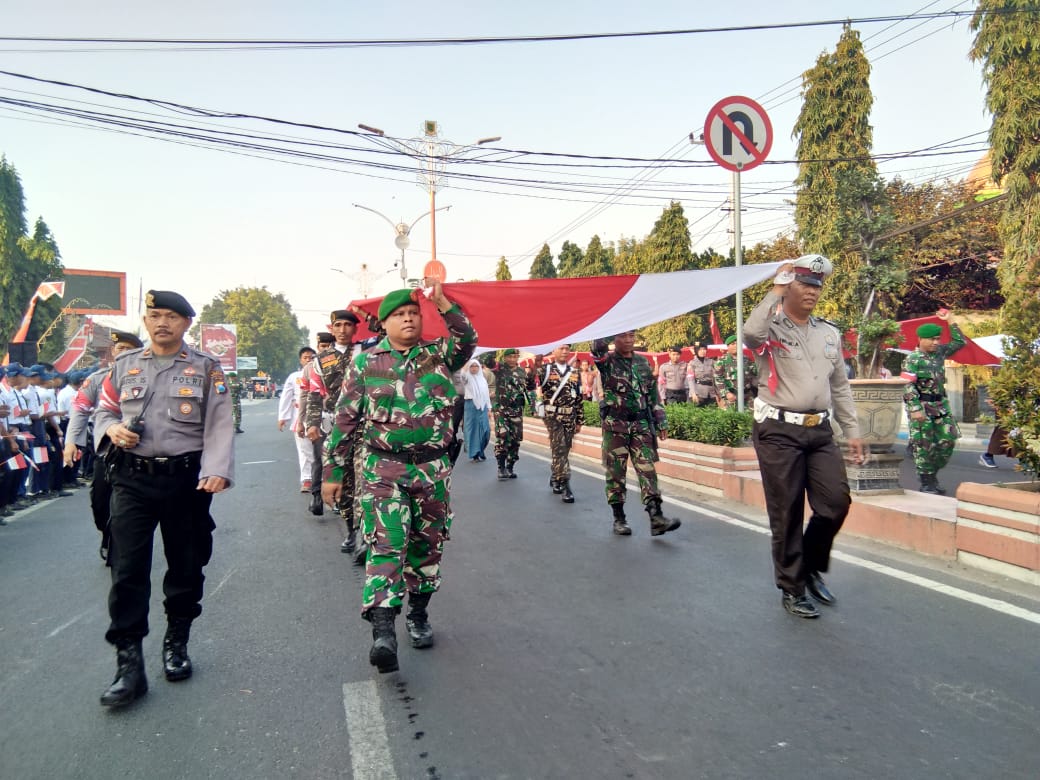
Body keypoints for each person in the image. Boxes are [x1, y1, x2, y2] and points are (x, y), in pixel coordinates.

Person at [322, 280, 476, 674]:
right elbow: (344, 420)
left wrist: (442, 302)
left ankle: (418, 614)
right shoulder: (365, 364)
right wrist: (333, 470)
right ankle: (383, 631)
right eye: (399, 315)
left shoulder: (439, 356)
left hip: (433, 468)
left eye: (413, 313)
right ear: (385, 324)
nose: (408, 318)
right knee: (387, 544)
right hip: (384, 469)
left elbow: (467, 337)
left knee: (428, 545)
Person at [92, 290, 234, 707]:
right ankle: (128, 664)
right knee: (127, 569)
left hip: (186, 480)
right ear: (146, 320)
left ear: (187, 323)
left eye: (171, 317)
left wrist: (217, 470)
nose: (162, 323)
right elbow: (103, 410)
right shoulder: (123, 366)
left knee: (187, 564)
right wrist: (112, 429)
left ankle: (177, 641)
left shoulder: (206, 369)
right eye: (154, 316)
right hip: (132, 479)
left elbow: (220, 423)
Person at [743, 256, 865, 619]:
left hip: (820, 430)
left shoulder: (828, 333)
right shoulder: (772, 328)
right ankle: (792, 587)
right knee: (788, 511)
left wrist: (853, 430)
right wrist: (776, 288)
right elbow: (750, 333)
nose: (812, 291)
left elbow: (840, 386)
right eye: (804, 284)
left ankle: (809, 566)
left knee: (835, 503)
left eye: (816, 285)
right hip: (778, 431)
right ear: (788, 286)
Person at [64, 330, 145, 562]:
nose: (124, 354)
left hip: (139, 450)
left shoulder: (148, 376)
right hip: (108, 451)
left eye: (130, 350)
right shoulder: (98, 379)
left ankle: (123, 546)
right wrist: (71, 442)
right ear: (112, 352)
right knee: (99, 502)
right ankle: (106, 533)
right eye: (120, 349)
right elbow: (79, 409)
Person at [591, 331, 682, 537]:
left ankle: (656, 517)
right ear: (614, 338)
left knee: (647, 470)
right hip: (616, 425)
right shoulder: (607, 362)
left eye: (632, 336)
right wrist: (610, 324)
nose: (629, 340)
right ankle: (619, 518)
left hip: (641, 424)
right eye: (623, 336)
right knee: (615, 473)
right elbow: (597, 347)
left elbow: (652, 394)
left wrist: (660, 419)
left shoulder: (642, 362)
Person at [306, 308, 381, 557]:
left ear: (355, 328)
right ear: (331, 328)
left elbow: (384, 330)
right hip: (337, 427)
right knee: (344, 483)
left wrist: (366, 314)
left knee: (364, 481)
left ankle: (363, 535)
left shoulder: (367, 349)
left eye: (348, 325)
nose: (342, 330)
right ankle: (351, 530)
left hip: (366, 424)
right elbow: (315, 394)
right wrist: (312, 423)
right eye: (337, 325)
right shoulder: (320, 360)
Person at [901, 311, 964, 495]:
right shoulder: (912, 359)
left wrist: (950, 321)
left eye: (938, 339)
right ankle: (927, 481)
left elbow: (960, 343)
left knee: (948, 441)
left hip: (941, 406)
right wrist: (915, 409)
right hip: (921, 407)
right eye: (932, 339)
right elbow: (907, 385)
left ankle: (931, 473)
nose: (936, 342)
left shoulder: (940, 353)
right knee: (924, 445)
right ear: (921, 339)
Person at [539, 344, 584, 503]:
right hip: (553, 417)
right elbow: (531, 385)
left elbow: (579, 397)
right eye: (561, 348)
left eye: (567, 348)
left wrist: (579, 420)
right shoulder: (544, 369)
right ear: (553, 350)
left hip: (570, 417)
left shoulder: (574, 372)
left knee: (564, 450)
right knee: (559, 449)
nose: (565, 351)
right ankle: (566, 485)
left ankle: (556, 475)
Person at [300, 332, 335, 516]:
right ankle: (316, 496)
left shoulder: (342, 364)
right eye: (322, 346)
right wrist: (302, 421)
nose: (326, 349)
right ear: (318, 346)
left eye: (329, 345)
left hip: (341, 417)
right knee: (319, 459)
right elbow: (305, 396)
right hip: (319, 419)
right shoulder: (310, 368)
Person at [278, 345, 317, 491]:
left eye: (311, 357)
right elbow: (286, 396)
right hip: (300, 417)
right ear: (300, 360)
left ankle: (321, 475)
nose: (308, 360)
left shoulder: (322, 374)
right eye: (305, 358)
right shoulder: (294, 377)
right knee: (304, 449)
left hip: (321, 417)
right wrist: (283, 417)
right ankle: (307, 478)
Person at [492, 349, 533, 479]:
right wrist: (493, 348)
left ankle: (510, 466)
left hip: (517, 410)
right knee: (502, 437)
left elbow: (528, 389)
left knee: (515, 440)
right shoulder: (499, 369)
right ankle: (501, 467)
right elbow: (488, 360)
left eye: (515, 357)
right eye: (509, 357)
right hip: (501, 410)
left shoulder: (522, 372)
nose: (512, 359)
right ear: (505, 358)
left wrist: (533, 405)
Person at [714, 335, 758, 409]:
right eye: (733, 344)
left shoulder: (746, 359)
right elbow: (718, 379)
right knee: (730, 418)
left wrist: (758, 359)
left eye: (737, 343)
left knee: (751, 418)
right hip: (731, 396)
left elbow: (755, 372)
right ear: (728, 347)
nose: (736, 346)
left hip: (746, 395)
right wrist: (726, 393)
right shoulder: (722, 361)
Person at [462, 358, 491, 462]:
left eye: (476, 366)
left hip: (482, 406)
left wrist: (489, 408)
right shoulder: (467, 378)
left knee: (485, 430)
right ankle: (474, 454)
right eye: (472, 366)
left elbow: (486, 394)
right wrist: (467, 359)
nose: (474, 368)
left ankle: (481, 450)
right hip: (471, 405)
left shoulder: (482, 379)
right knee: (473, 430)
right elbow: (462, 374)